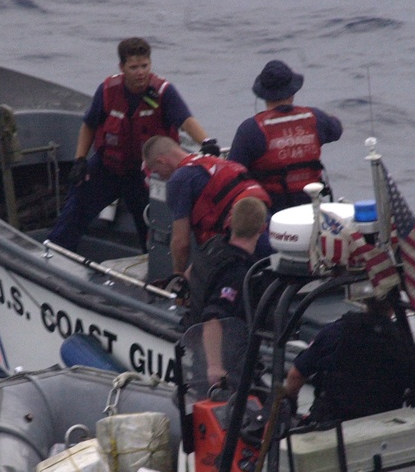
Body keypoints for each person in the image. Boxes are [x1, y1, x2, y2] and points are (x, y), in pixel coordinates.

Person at [47, 37, 210, 253]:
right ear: (122, 67)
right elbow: (89, 125)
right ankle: (55, 253)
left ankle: (153, 273)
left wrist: (206, 142)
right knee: (75, 207)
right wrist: (80, 160)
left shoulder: (163, 93)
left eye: (145, 66)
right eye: (134, 67)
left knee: (151, 227)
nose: (140, 72)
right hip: (108, 167)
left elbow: (186, 121)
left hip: (145, 174)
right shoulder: (107, 91)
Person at [283, 292, 415, 423]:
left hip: (330, 428)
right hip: (383, 432)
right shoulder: (407, 344)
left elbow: (295, 376)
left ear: (363, 301)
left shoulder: (333, 333)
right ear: (394, 307)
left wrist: (292, 405)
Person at [142, 135, 270, 276]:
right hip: (267, 228)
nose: (160, 177)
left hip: (246, 242)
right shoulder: (210, 160)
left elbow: (181, 243)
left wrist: (178, 277)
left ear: (162, 161)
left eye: (156, 171)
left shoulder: (178, 181)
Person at [229, 60, 343, 213]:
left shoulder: (251, 129)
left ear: (263, 94)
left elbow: (232, 173)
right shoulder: (315, 118)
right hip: (311, 208)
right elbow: (336, 129)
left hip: (271, 214)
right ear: (292, 91)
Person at [186, 197, 268, 386]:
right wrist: (215, 367)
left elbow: (190, 274)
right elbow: (214, 318)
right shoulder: (238, 272)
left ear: (230, 221)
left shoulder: (213, 245)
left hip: (198, 352)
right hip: (227, 362)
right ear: (262, 229)